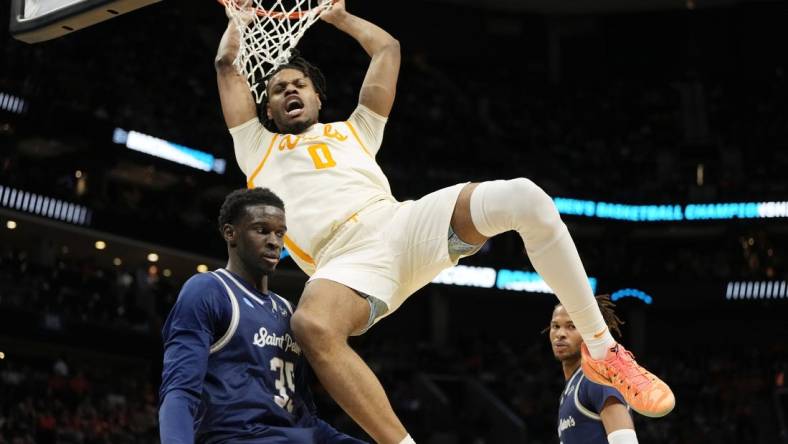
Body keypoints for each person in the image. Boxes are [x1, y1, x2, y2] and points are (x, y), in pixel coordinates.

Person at [215, 2, 675, 442]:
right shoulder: (256, 148)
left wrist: (341, 17)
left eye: (298, 84)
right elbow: (225, 66)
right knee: (311, 324)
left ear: (318, 95)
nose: (289, 90)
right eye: (278, 89)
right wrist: (239, 15)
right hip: (346, 263)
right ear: (268, 109)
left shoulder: (355, 130)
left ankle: (602, 349)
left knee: (526, 196)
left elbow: (387, 50)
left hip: (399, 223)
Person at [158, 188, 366, 443]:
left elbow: (305, 417)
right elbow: (180, 391)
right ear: (230, 233)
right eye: (262, 230)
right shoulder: (209, 290)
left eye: (280, 233)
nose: (274, 241)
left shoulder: (291, 312)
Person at [549, 295, 639, 444]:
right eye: (556, 326)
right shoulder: (570, 388)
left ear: (589, 332)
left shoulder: (597, 379)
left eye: (572, 326)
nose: (560, 334)